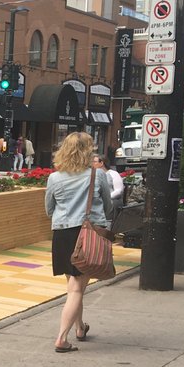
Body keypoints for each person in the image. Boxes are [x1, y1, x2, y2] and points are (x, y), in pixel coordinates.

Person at [45, 132, 114, 353]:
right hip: (87, 234)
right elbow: (108, 205)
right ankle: (61, 339)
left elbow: (48, 209)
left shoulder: (55, 178)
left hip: (62, 234)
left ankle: (80, 328)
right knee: (77, 288)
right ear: (88, 151)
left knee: (74, 285)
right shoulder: (97, 175)